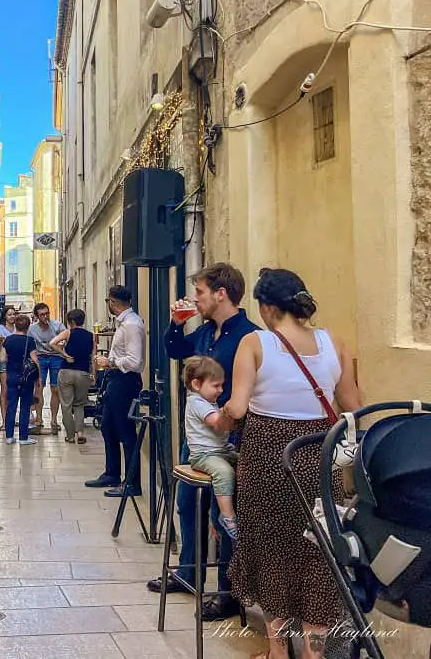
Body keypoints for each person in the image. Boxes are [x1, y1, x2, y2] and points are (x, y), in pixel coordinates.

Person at [221, 268, 361, 659]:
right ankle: (314, 653)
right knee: (317, 551)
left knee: (270, 550)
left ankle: (279, 652)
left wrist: (219, 416)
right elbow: (353, 406)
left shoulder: (255, 342)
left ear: (267, 308)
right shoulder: (333, 340)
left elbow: (237, 405)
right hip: (319, 454)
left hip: (268, 457)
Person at [145, 262, 258, 622]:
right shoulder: (207, 332)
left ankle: (227, 593)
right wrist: (176, 322)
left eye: (200, 292)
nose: (196, 299)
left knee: (221, 515)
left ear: (220, 294)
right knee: (186, 504)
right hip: (197, 441)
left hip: (228, 441)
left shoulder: (248, 336)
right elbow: (175, 350)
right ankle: (188, 572)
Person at [85, 285, 145, 498]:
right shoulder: (123, 323)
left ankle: (132, 483)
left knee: (126, 432)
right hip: (116, 380)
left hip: (125, 381)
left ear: (112, 302)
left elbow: (134, 361)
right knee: (108, 427)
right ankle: (112, 473)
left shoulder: (132, 325)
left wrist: (109, 361)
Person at [183, 356, 237, 538]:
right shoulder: (196, 402)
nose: (221, 390)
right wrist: (231, 409)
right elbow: (216, 422)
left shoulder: (209, 402)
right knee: (224, 472)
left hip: (222, 451)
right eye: (216, 386)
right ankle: (227, 515)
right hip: (204, 455)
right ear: (197, 384)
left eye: (222, 385)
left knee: (248, 463)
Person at [49, 308, 94, 444]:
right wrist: (93, 374)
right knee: (80, 404)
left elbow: (52, 343)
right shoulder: (91, 335)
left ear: (72, 322)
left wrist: (64, 354)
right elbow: (92, 357)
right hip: (83, 373)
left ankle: (70, 435)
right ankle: (80, 433)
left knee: (66, 404)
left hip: (66, 372)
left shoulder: (68, 333)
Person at [0, 314, 39, 446]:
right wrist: (39, 378)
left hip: (11, 376)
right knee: (25, 407)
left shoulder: (8, 340)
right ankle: (23, 437)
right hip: (26, 378)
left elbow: (2, 359)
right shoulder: (30, 341)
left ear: (15, 325)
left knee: (11, 406)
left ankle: (9, 436)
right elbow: (35, 360)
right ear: (28, 327)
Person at [27, 303, 64, 434]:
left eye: (47, 313)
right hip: (40, 358)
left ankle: (54, 420)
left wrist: (59, 341)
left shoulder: (57, 325)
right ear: (36, 316)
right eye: (42, 314)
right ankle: (39, 418)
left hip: (56, 357)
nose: (45, 316)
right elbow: (30, 345)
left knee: (55, 389)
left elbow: (65, 339)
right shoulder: (32, 329)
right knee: (38, 388)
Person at [0, 305, 17, 432]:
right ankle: (4, 421)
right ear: (5, 316)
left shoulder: (18, 328)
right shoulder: (0, 329)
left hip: (17, 362)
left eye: (13, 314)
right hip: (4, 361)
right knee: (5, 390)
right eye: (9, 314)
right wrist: (1, 342)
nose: (12, 316)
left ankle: (12, 417)